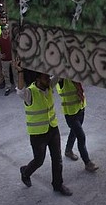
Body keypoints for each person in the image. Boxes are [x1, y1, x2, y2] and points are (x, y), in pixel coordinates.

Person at [15, 57, 72, 196]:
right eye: (46, 77)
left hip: (53, 129)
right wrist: (20, 71)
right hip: (38, 134)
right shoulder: (30, 92)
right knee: (39, 160)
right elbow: (20, 91)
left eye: (48, 77)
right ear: (38, 79)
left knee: (57, 158)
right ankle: (26, 172)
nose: (49, 79)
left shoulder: (48, 86)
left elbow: (59, 74)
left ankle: (58, 185)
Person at [56, 78, 99, 172]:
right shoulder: (62, 79)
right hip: (71, 114)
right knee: (81, 136)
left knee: (74, 132)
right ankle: (87, 163)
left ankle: (68, 150)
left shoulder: (76, 77)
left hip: (80, 108)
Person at [0, 24, 15, 96]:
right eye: (4, 29)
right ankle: (8, 87)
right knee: (6, 75)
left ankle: (18, 87)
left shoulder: (12, 38)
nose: (6, 31)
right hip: (5, 60)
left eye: (7, 29)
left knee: (16, 74)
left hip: (13, 59)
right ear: (2, 30)